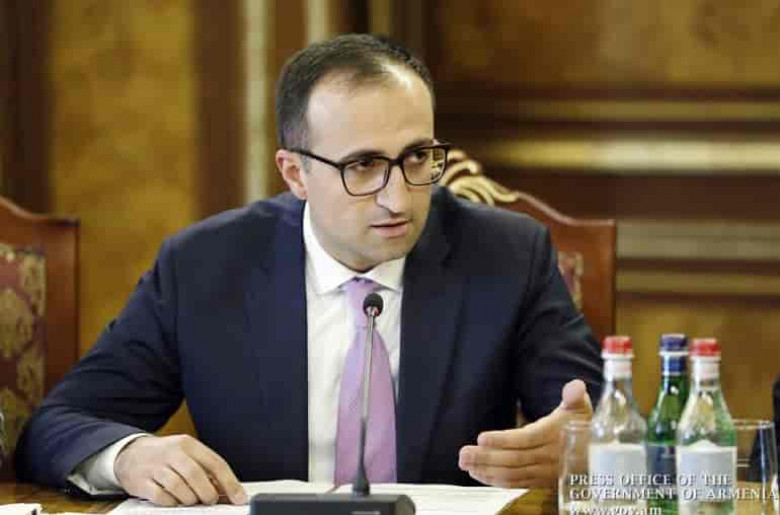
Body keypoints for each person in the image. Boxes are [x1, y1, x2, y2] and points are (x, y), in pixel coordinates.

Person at [15, 34, 602, 506]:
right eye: (363, 166)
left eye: (417, 157)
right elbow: (58, 426)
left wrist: (585, 447)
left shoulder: (508, 255)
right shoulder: (204, 267)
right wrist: (129, 456)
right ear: (295, 173)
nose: (397, 198)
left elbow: (597, 419)